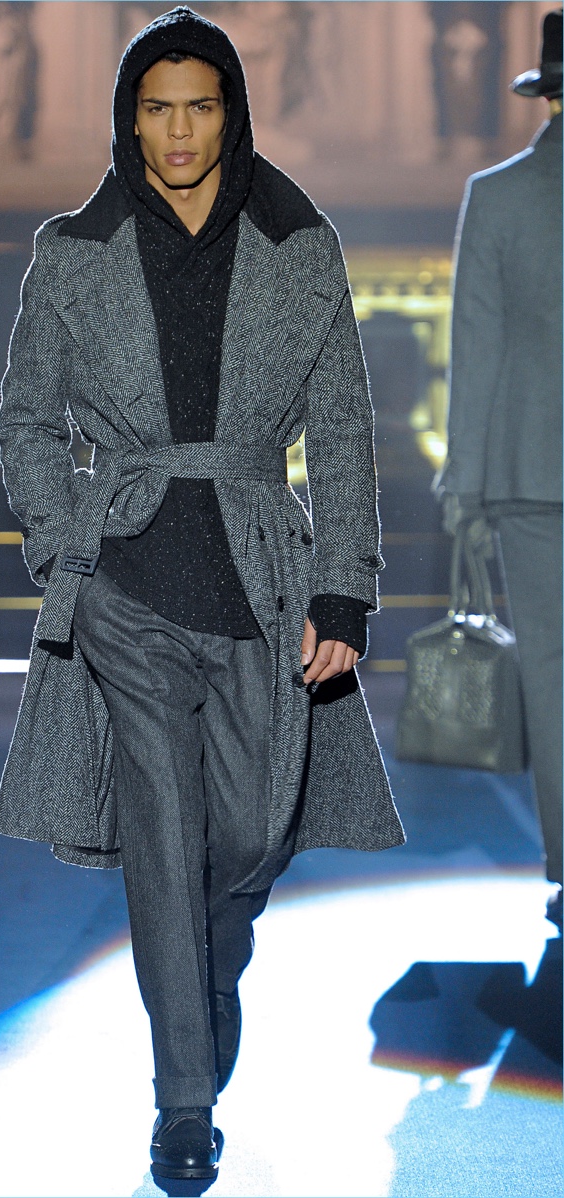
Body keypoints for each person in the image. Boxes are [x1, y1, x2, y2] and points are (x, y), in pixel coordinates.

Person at [0, 6, 403, 1180]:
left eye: (199, 106)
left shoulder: (297, 244)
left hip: (259, 579)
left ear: (231, 114)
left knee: (247, 839)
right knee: (163, 843)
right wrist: (62, 551)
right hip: (123, 581)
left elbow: (341, 429)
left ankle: (206, 984)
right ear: (129, 121)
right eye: (156, 108)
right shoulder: (71, 251)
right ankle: (182, 1098)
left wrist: (343, 590)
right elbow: (26, 419)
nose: (177, 131)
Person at [436, 10, 562, 928]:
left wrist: (466, 486)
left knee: (551, 672)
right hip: (528, 472)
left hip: (529, 471)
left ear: (545, 97)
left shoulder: (499, 194)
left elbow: (474, 346)